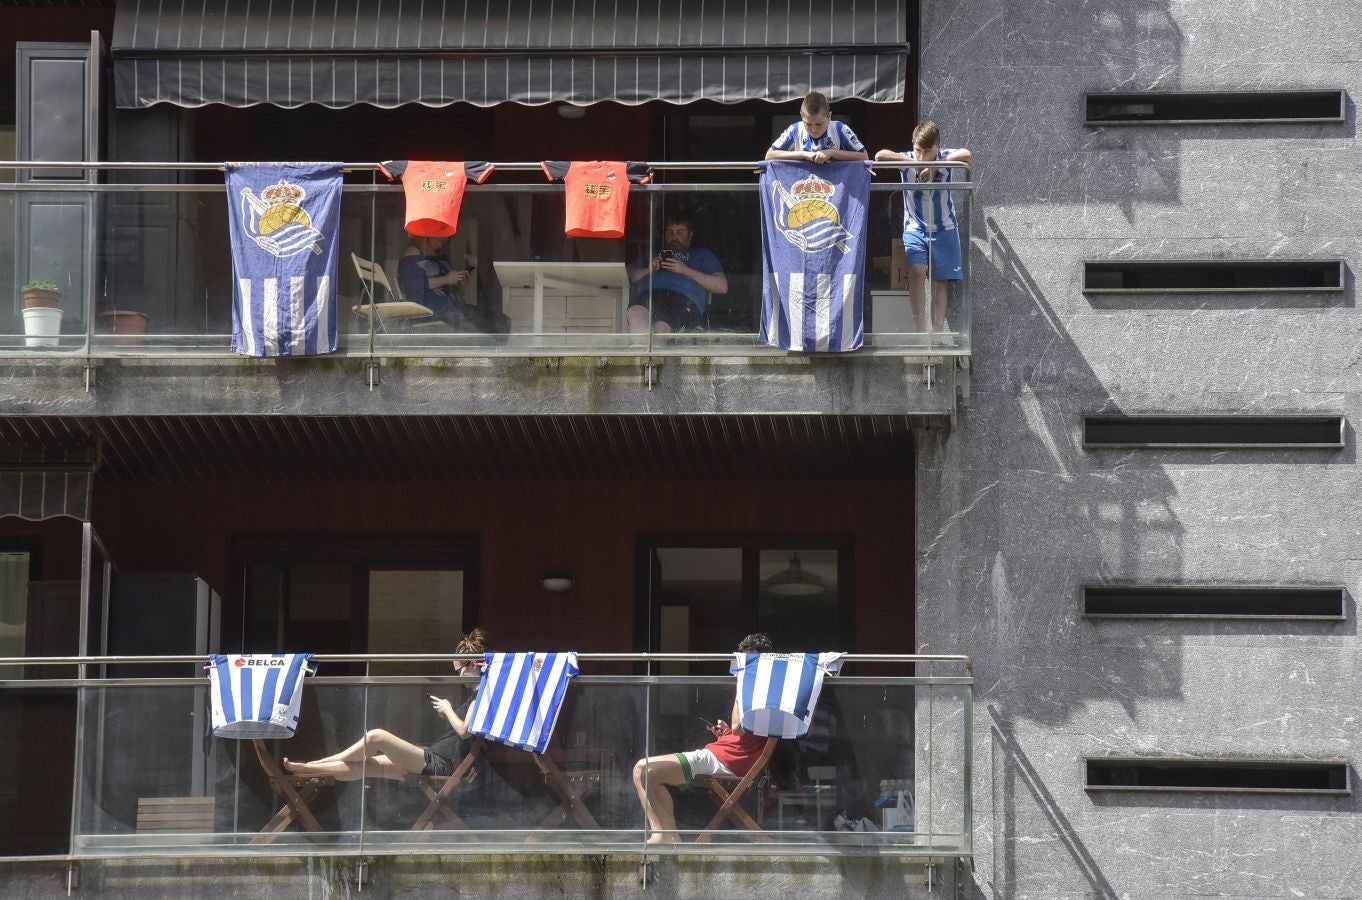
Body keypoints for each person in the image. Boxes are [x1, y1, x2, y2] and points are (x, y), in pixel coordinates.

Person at [283, 628, 489, 781]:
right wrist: (448, 714)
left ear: (472, 664)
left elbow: (464, 731)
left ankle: (320, 762)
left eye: (459, 670)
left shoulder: (480, 695)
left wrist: (448, 709)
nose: (458, 676)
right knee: (371, 765)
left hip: (443, 763)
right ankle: (306, 769)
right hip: (437, 757)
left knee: (377, 736)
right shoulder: (476, 696)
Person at [631, 632, 775, 844]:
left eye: (751, 661)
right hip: (721, 756)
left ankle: (664, 836)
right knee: (648, 774)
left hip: (723, 762)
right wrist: (725, 734)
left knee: (643, 770)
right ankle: (668, 837)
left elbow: (738, 726)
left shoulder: (761, 692)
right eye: (744, 660)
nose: (744, 667)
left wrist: (741, 687)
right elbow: (739, 732)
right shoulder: (761, 692)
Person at [874, 122, 972, 334]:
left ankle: (936, 333)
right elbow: (880, 155)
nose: (921, 155)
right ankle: (920, 329)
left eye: (927, 151)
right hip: (914, 227)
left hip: (945, 227)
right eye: (918, 150)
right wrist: (912, 163)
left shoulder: (944, 155)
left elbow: (966, 154)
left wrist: (935, 166)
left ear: (938, 146)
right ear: (913, 144)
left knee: (940, 281)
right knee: (917, 270)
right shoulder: (910, 158)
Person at [625, 215, 728, 334]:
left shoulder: (701, 254)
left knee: (661, 328)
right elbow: (627, 276)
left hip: (683, 300)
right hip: (648, 296)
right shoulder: (652, 255)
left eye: (680, 233)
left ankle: (644, 350)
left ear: (690, 236)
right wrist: (649, 269)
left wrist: (685, 270)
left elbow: (722, 286)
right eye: (670, 232)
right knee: (635, 314)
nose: (674, 237)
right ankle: (642, 350)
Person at [397, 235, 508, 334]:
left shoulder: (442, 257)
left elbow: (448, 288)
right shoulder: (414, 252)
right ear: (426, 233)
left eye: (446, 234)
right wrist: (446, 279)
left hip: (452, 305)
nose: (442, 237)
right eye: (437, 233)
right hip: (432, 308)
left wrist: (459, 281)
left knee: (501, 320)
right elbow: (412, 285)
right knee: (476, 332)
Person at [765, 91, 869, 165]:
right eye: (808, 124)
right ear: (802, 116)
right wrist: (803, 154)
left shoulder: (840, 128)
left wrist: (831, 153)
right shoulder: (795, 129)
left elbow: (864, 156)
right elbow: (769, 155)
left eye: (819, 124)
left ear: (829, 116)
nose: (814, 129)